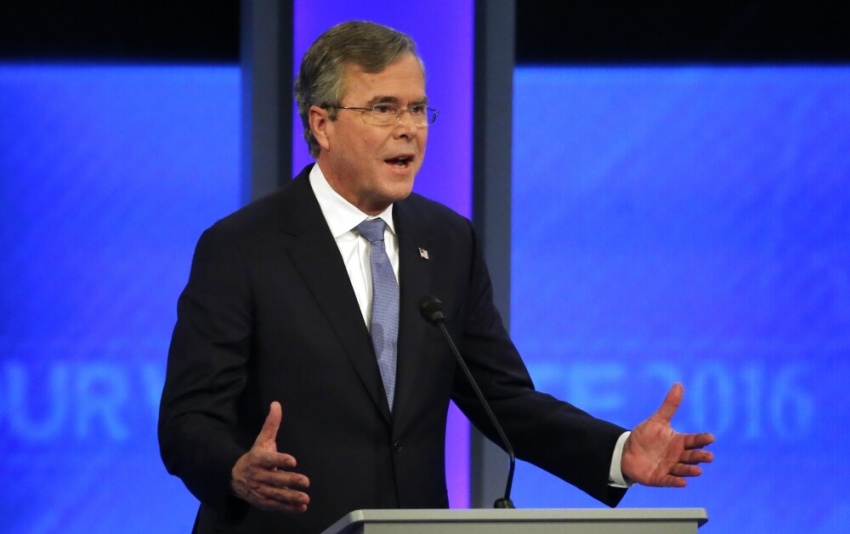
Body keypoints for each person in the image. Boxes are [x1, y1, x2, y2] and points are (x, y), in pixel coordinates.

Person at [158, 20, 714, 534]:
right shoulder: (242, 247)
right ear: (321, 124)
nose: (409, 130)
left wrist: (616, 453)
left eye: (418, 109)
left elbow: (502, 398)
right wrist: (235, 469)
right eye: (383, 108)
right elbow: (188, 419)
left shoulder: (449, 241)